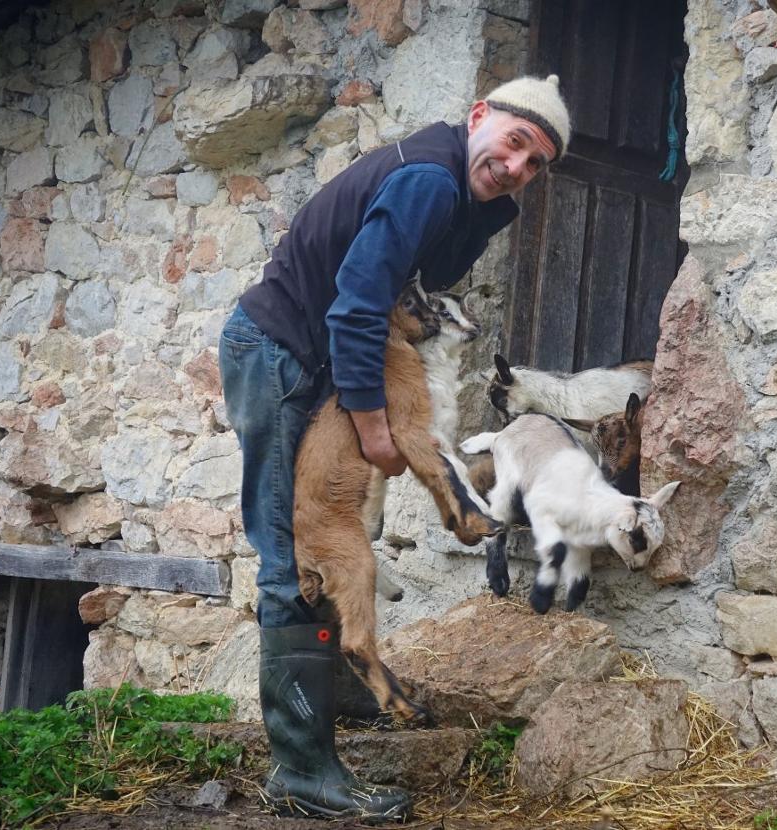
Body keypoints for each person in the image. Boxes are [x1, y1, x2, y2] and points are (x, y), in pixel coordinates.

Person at [218, 74, 570, 822]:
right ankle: (302, 771)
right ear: (479, 117)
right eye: (513, 142)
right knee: (294, 552)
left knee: (324, 543)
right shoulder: (427, 181)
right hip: (277, 354)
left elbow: (424, 276)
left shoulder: (452, 186)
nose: (517, 167)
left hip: (300, 358)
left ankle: (338, 677)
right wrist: (376, 427)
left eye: (535, 163)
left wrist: (488, 208)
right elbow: (356, 305)